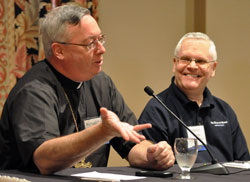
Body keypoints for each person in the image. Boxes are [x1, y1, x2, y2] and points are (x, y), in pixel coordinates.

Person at [0, 5, 175, 175]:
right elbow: (45, 160)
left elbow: (133, 143)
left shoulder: (101, 83)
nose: (102, 49)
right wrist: (101, 132)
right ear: (59, 50)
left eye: (101, 39)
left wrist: (152, 155)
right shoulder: (34, 91)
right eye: (91, 43)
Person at [139, 32, 250, 163]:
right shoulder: (157, 109)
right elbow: (152, 165)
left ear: (213, 68)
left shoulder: (225, 111)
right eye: (185, 59)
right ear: (175, 63)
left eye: (200, 61)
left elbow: (244, 164)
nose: (192, 66)